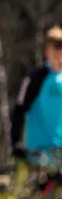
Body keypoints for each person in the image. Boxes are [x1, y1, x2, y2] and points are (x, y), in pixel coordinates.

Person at [10, 24, 62, 163]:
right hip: (39, 154)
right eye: (56, 49)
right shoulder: (35, 78)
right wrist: (15, 142)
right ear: (47, 51)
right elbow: (19, 110)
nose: (59, 55)